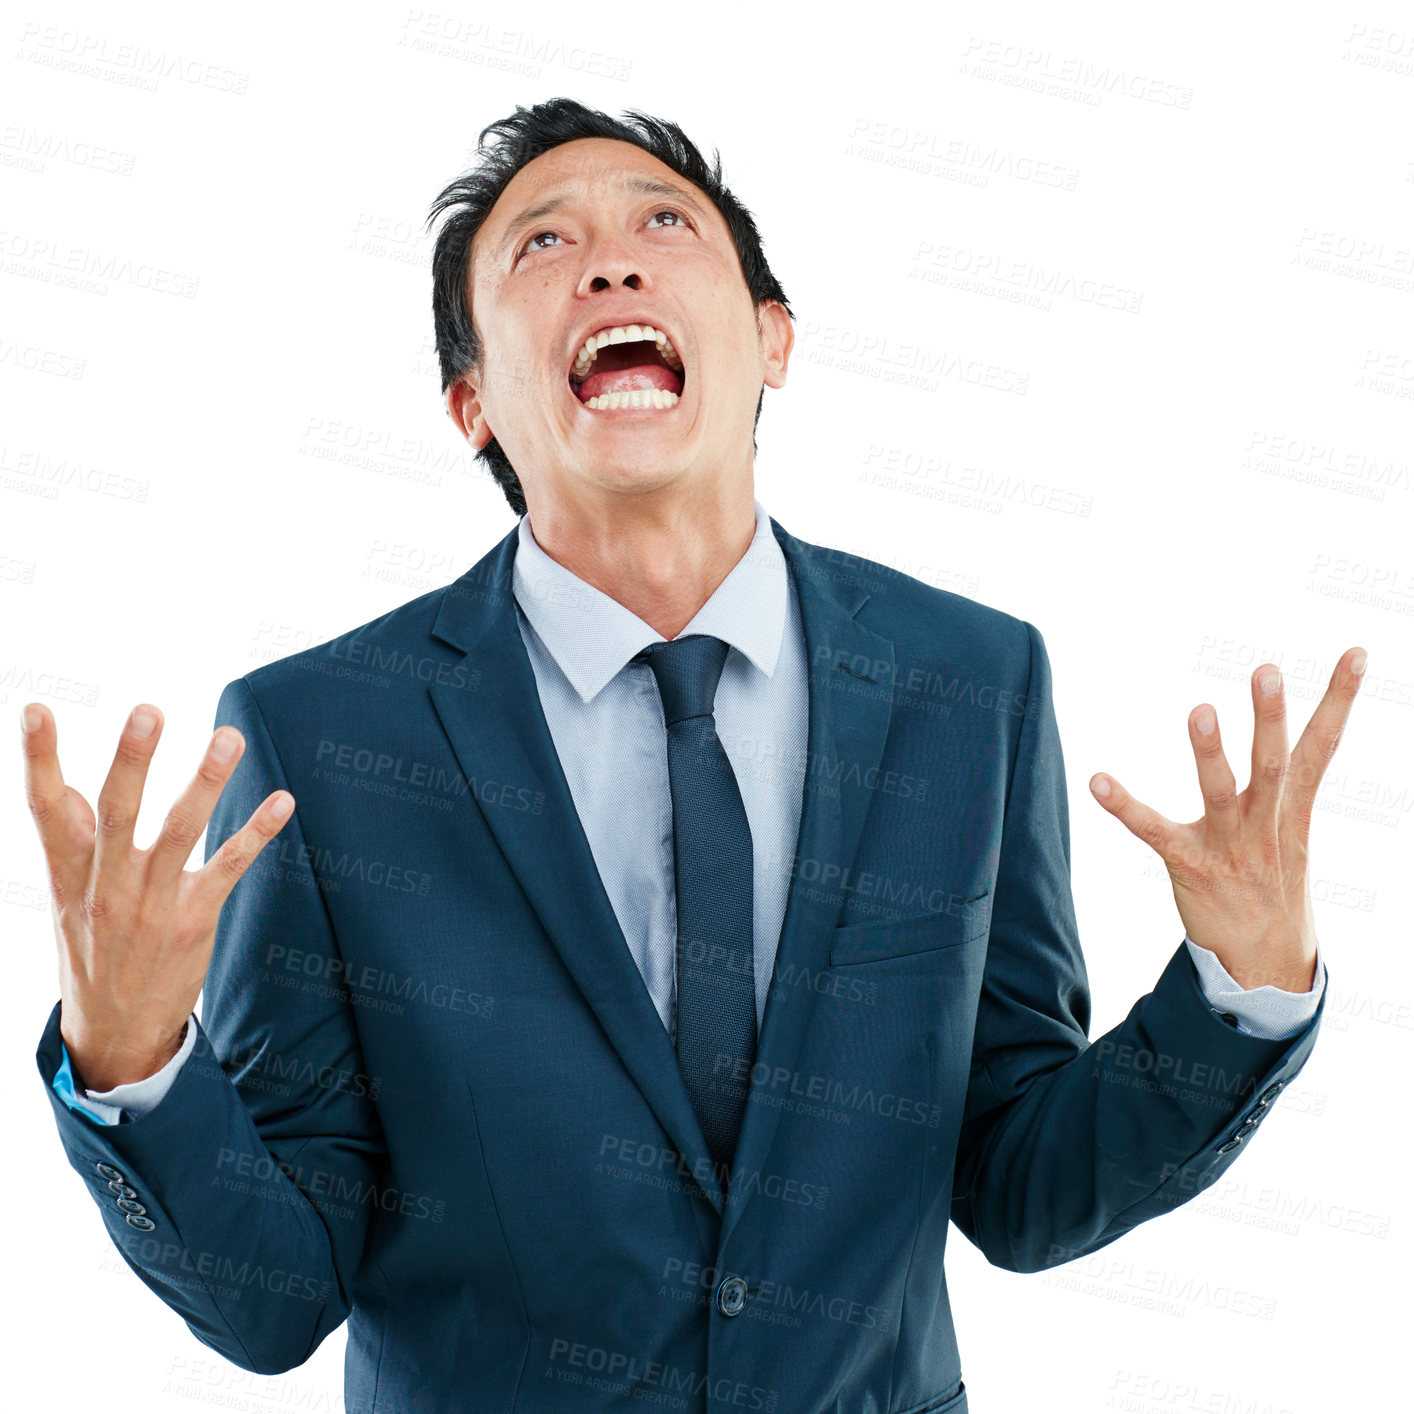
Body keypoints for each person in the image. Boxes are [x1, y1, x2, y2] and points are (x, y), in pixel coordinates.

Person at [25, 98, 1361, 1414]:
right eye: (539, 245)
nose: (609, 258)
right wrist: (136, 1057)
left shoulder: (968, 683)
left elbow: (1016, 1179)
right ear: (471, 400)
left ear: (772, 341)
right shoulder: (321, 736)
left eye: (663, 223)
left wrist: (1234, 992)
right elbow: (274, 1296)